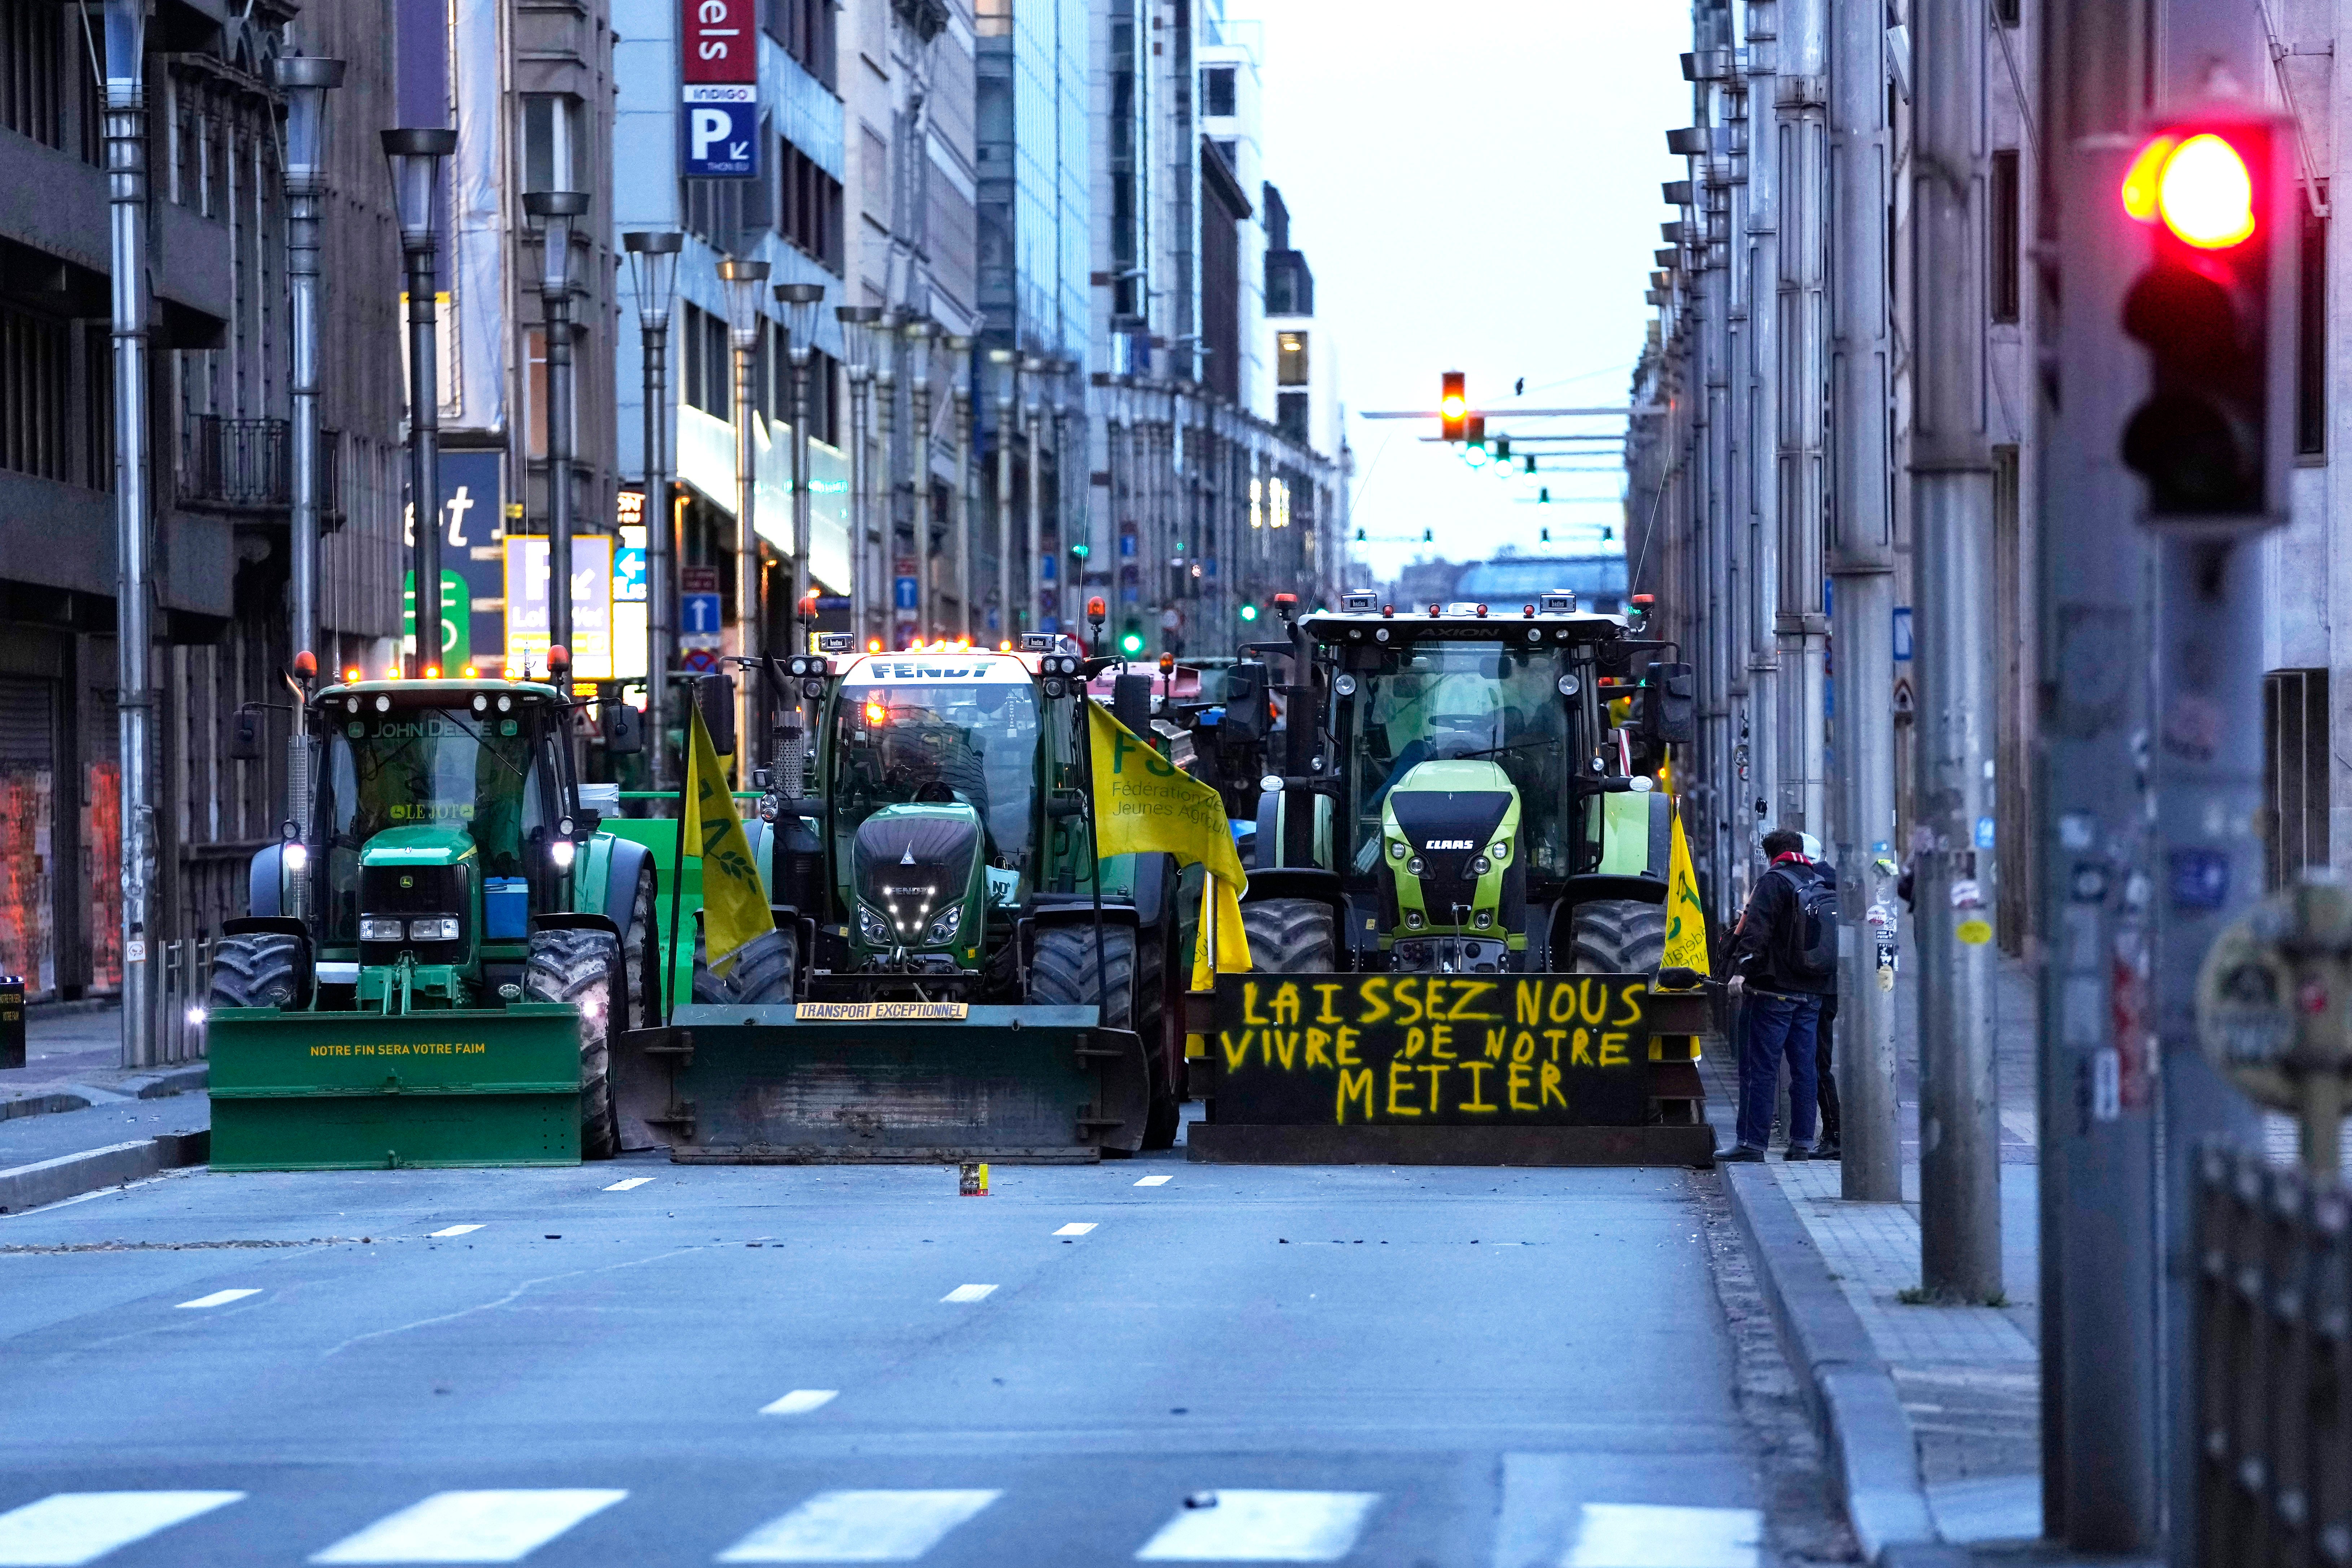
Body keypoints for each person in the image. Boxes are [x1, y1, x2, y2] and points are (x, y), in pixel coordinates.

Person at [1720, 827, 1837, 1162]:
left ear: (1770, 855)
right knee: (1804, 1069)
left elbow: (1756, 930)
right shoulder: (1818, 880)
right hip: (1813, 991)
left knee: (1760, 1068)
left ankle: (1751, 1144)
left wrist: (1740, 973)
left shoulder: (1773, 881)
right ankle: (1802, 1143)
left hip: (1773, 992)